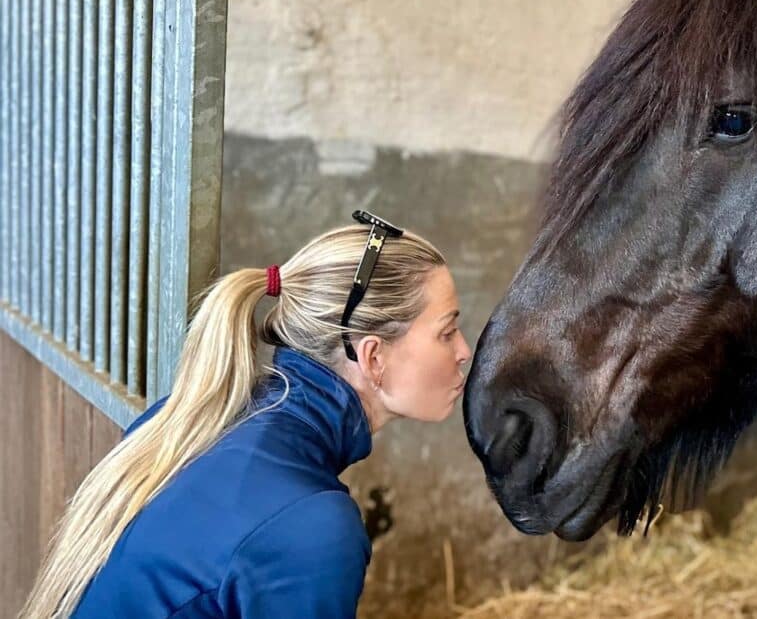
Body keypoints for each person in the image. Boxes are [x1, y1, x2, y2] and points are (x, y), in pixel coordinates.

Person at [21, 211, 472, 618]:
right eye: (447, 331)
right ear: (373, 358)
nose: (464, 352)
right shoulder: (310, 527)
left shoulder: (189, 422)